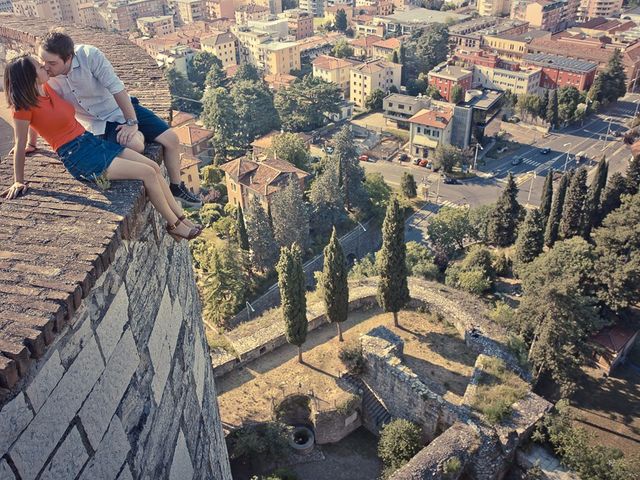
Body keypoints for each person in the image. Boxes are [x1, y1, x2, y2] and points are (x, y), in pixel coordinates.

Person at [3, 55, 202, 242]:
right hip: (78, 156)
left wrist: (33, 143)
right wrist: (18, 181)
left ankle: (182, 218)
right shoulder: (22, 108)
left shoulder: (48, 89)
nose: (44, 66)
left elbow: (35, 129)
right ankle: (174, 225)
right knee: (147, 173)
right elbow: (19, 143)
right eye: (39, 66)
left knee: (154, 167)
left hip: (90, 141)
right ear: (30, 77)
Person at [35, 30, 202, 208]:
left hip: (119, 108)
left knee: (172, 139)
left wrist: (131, 122)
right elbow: (34, 105)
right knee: (136, 145)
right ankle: (140, 137)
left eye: (51, 63)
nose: (45, 66)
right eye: (42, 61)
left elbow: (117, 88)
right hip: (98, 124)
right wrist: (27, 142)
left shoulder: (89, 56)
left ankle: (176, 186)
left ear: (68, 58)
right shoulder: (45, 75)